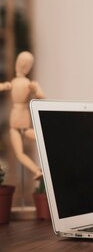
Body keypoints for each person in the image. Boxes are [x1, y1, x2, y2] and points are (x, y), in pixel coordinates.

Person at [0, 51, 45, 179]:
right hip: (22, 118)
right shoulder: (25, 83)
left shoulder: (16, 83)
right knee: (23, 147)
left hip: (17, 118)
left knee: (20, 153)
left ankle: (37, 170)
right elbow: (42, 96)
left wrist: (35, 88)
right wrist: (35, 88)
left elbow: (42, 97)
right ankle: (37, 170)